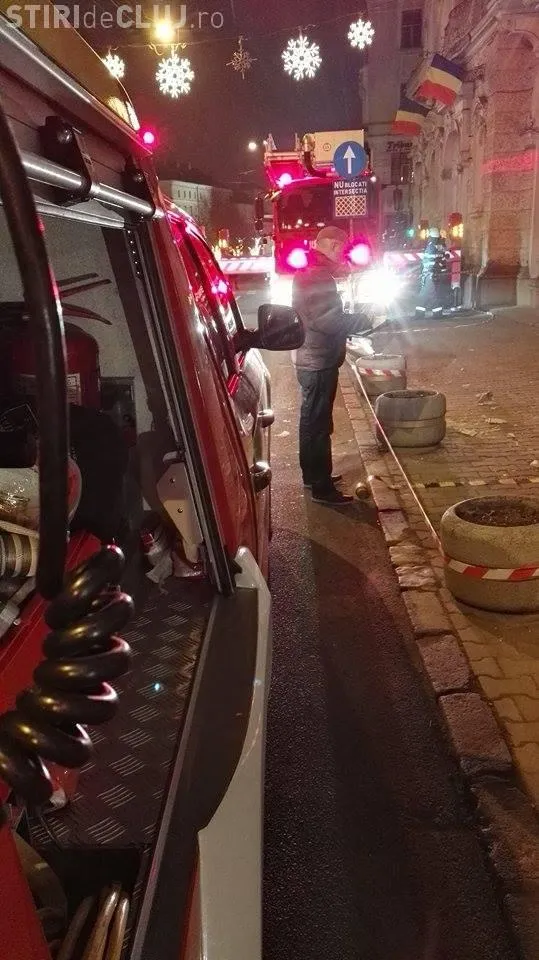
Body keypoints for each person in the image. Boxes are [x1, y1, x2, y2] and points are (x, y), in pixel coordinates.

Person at [292, 226, 372, 505]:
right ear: (335, 245)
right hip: (318, 360)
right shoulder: (317, 275)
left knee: (311, 422)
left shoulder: (310, 271)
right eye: (342, 249)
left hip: (311, 357)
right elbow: (328, 321)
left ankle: (313, 475)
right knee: (318, 425)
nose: (342, 254)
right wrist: (366, 320)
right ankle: (322, 487)